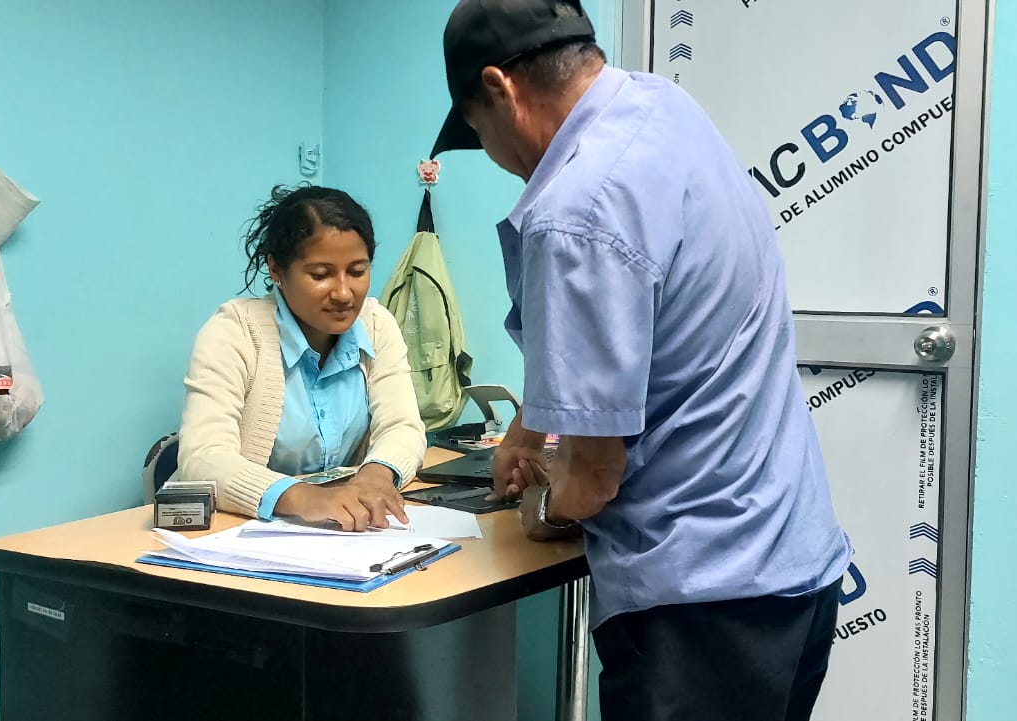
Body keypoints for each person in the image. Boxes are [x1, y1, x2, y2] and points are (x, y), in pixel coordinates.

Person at [429, 2, 854, 720]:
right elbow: (632, 334)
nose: (495, 156)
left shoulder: (574, 211)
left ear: (500, 89)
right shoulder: (664, 110)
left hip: (700, 610)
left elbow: (593, 480)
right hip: (793, 569)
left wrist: (538, 507)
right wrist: (527, 433)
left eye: (479, 132)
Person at [176, 185, 426, 532]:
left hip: (341, 533)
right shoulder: (235, 331)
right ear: (276, 269)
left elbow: (403, 426)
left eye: (357, 271)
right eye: (320, 275)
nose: (344, 293)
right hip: (234, 533)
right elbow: (203, 457)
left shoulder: (376, 324)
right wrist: (303, 497)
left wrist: (376, 474)